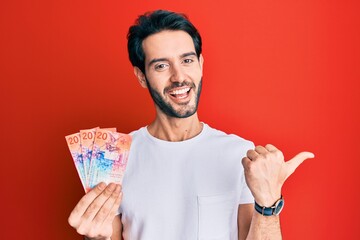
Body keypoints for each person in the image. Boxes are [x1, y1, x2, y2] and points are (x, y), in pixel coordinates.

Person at [68, 10, 314, 240]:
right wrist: (95, 238)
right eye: (161, 66)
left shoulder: (240, 154)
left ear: (201, 64)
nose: (178, 77)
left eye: (187, 60)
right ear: (141, 76)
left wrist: (268, 201)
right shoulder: (114, 158)